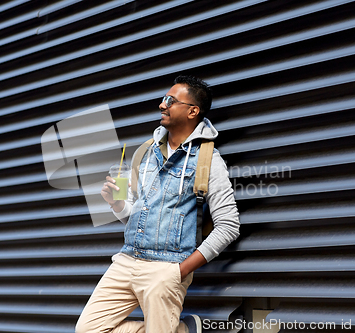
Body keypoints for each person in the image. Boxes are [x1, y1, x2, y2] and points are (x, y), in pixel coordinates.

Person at [76, 75, 240, 333]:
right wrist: (117, 205)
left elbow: (228, 226)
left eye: (171, 101)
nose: (162, 105)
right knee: (88, 329)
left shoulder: (208, 159)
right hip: (126, 261)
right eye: (164, 99)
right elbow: (136, 217)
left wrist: (178, 271)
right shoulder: (145, 152)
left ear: (192, 111)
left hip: (166, 268)